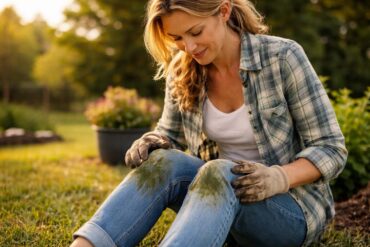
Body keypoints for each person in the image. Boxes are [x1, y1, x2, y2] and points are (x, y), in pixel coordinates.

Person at [70, 0, 347, 246]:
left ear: (224, 11)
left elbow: (331, 148)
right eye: (177, 37)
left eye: (196, 32)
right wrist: (153, 142)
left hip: (289, 211)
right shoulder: (182, 68)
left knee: (219, 171)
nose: (189, 47)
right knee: (165, 162)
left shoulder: (282, 58)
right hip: (215, 206)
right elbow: (169, 135)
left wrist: (279, 177)